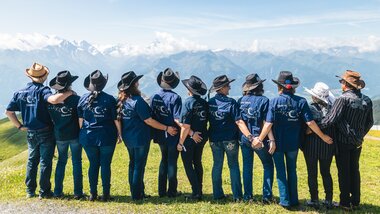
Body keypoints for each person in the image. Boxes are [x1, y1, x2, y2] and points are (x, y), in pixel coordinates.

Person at [254, 71, 333, 208]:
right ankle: (294, 199)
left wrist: (260, 139)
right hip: (293, 144)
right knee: (292, 170)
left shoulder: (274, 102)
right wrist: (323, 136)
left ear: (279, 86)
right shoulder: (301, 102)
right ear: (293, 87)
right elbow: (310, 123)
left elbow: (268, 124)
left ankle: (285, 200)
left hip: (277, 144)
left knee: (280, 171)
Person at [5, 62, 73, 199]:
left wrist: (19, 126)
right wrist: (69, 92)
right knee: (45, 162)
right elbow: (53, 100)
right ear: (44, 77)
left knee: (31, 161)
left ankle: (30, 191)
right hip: (45, 131)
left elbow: (8, 112)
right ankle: (44, 192)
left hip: (30, 132)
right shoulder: (43, 90)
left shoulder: (19, 92)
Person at [117, 71, 177, 201]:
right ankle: (137, 195)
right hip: (140, 136)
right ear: (135, 84)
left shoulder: (122, 100)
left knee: (132, 164)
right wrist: (166, 128)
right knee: (139, 165)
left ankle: (136, 192)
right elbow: (149, 120)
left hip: (128, 136)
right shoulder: (138, 101)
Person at [321, 70, 373, 211]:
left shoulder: (342, 99)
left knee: (343, 171)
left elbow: (330, 120)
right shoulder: (367, 100)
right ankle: (355, 201)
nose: (341, 84)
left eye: (342, 82)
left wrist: (314, 128)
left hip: (343, 141)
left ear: (345, 84)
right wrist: (360, 135)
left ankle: (344, 202)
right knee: (354, 170)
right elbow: (370, 122)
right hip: (358, 142)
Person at [77, 70, 121, 202]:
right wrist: (120, 133)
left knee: (93, 164)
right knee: (106, 164)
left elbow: (80, 121)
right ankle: (106, 194)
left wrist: (84, 132)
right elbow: (115, 119)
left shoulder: (83, 98)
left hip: (88, 136)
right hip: (106, 136)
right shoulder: (109, 99)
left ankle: (92, 193)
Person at [235, 74, 276, 203]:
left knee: (247, 166)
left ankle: (248, 196)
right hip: (260, 138)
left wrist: (250, 138)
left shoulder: (240, 100)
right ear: (260, 87)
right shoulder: (264, 100)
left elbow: (239, 121)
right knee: (268, 164)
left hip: (245, 138)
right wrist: (264, 139)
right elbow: (267, 122)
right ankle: (267, 197)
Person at [47, 70, 83, 199]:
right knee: (77, 162)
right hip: (75, 135)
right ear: (70, 85)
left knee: (61, 162)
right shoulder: (76, 99)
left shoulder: (50, 101)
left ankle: (57, 192)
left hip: (60, 136)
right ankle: (78, 193)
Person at [208, 75, 243, 201]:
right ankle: (237, 196)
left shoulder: (210, 103)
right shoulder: (231, 102)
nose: (229, 87)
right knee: (233, 165)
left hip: (214, 139)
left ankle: (217, 194)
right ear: (222, 88)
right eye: (228, 86)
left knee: (217, 165)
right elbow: (238, 121)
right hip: (230, 139)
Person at [302, 82, 336, 209]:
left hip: (311, 145)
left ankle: (314, 199)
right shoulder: (332, 108)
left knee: (312, 173)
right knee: (326, 173)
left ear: (315, 96)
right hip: (327, 144)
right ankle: (328, 199)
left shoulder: (310, 108)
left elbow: (307, 128)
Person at [150, 68, 183, 198]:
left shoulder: (154, 97)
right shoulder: (176, 98)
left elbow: (152, 115)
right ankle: (172, 191)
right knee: (172, 162)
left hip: (159, 132)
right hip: (173, 133)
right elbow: (177, 118)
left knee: (163, 160)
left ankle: (161, 191)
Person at [177, 75, 208, 200]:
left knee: (188, 164)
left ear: (189, 90)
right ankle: (199, 189)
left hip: (190, 139)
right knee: (197, 162)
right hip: (202, 136)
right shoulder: (204, 103)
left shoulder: (188, 103)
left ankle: (196, 192)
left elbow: (185, 126)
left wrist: (180, 142)